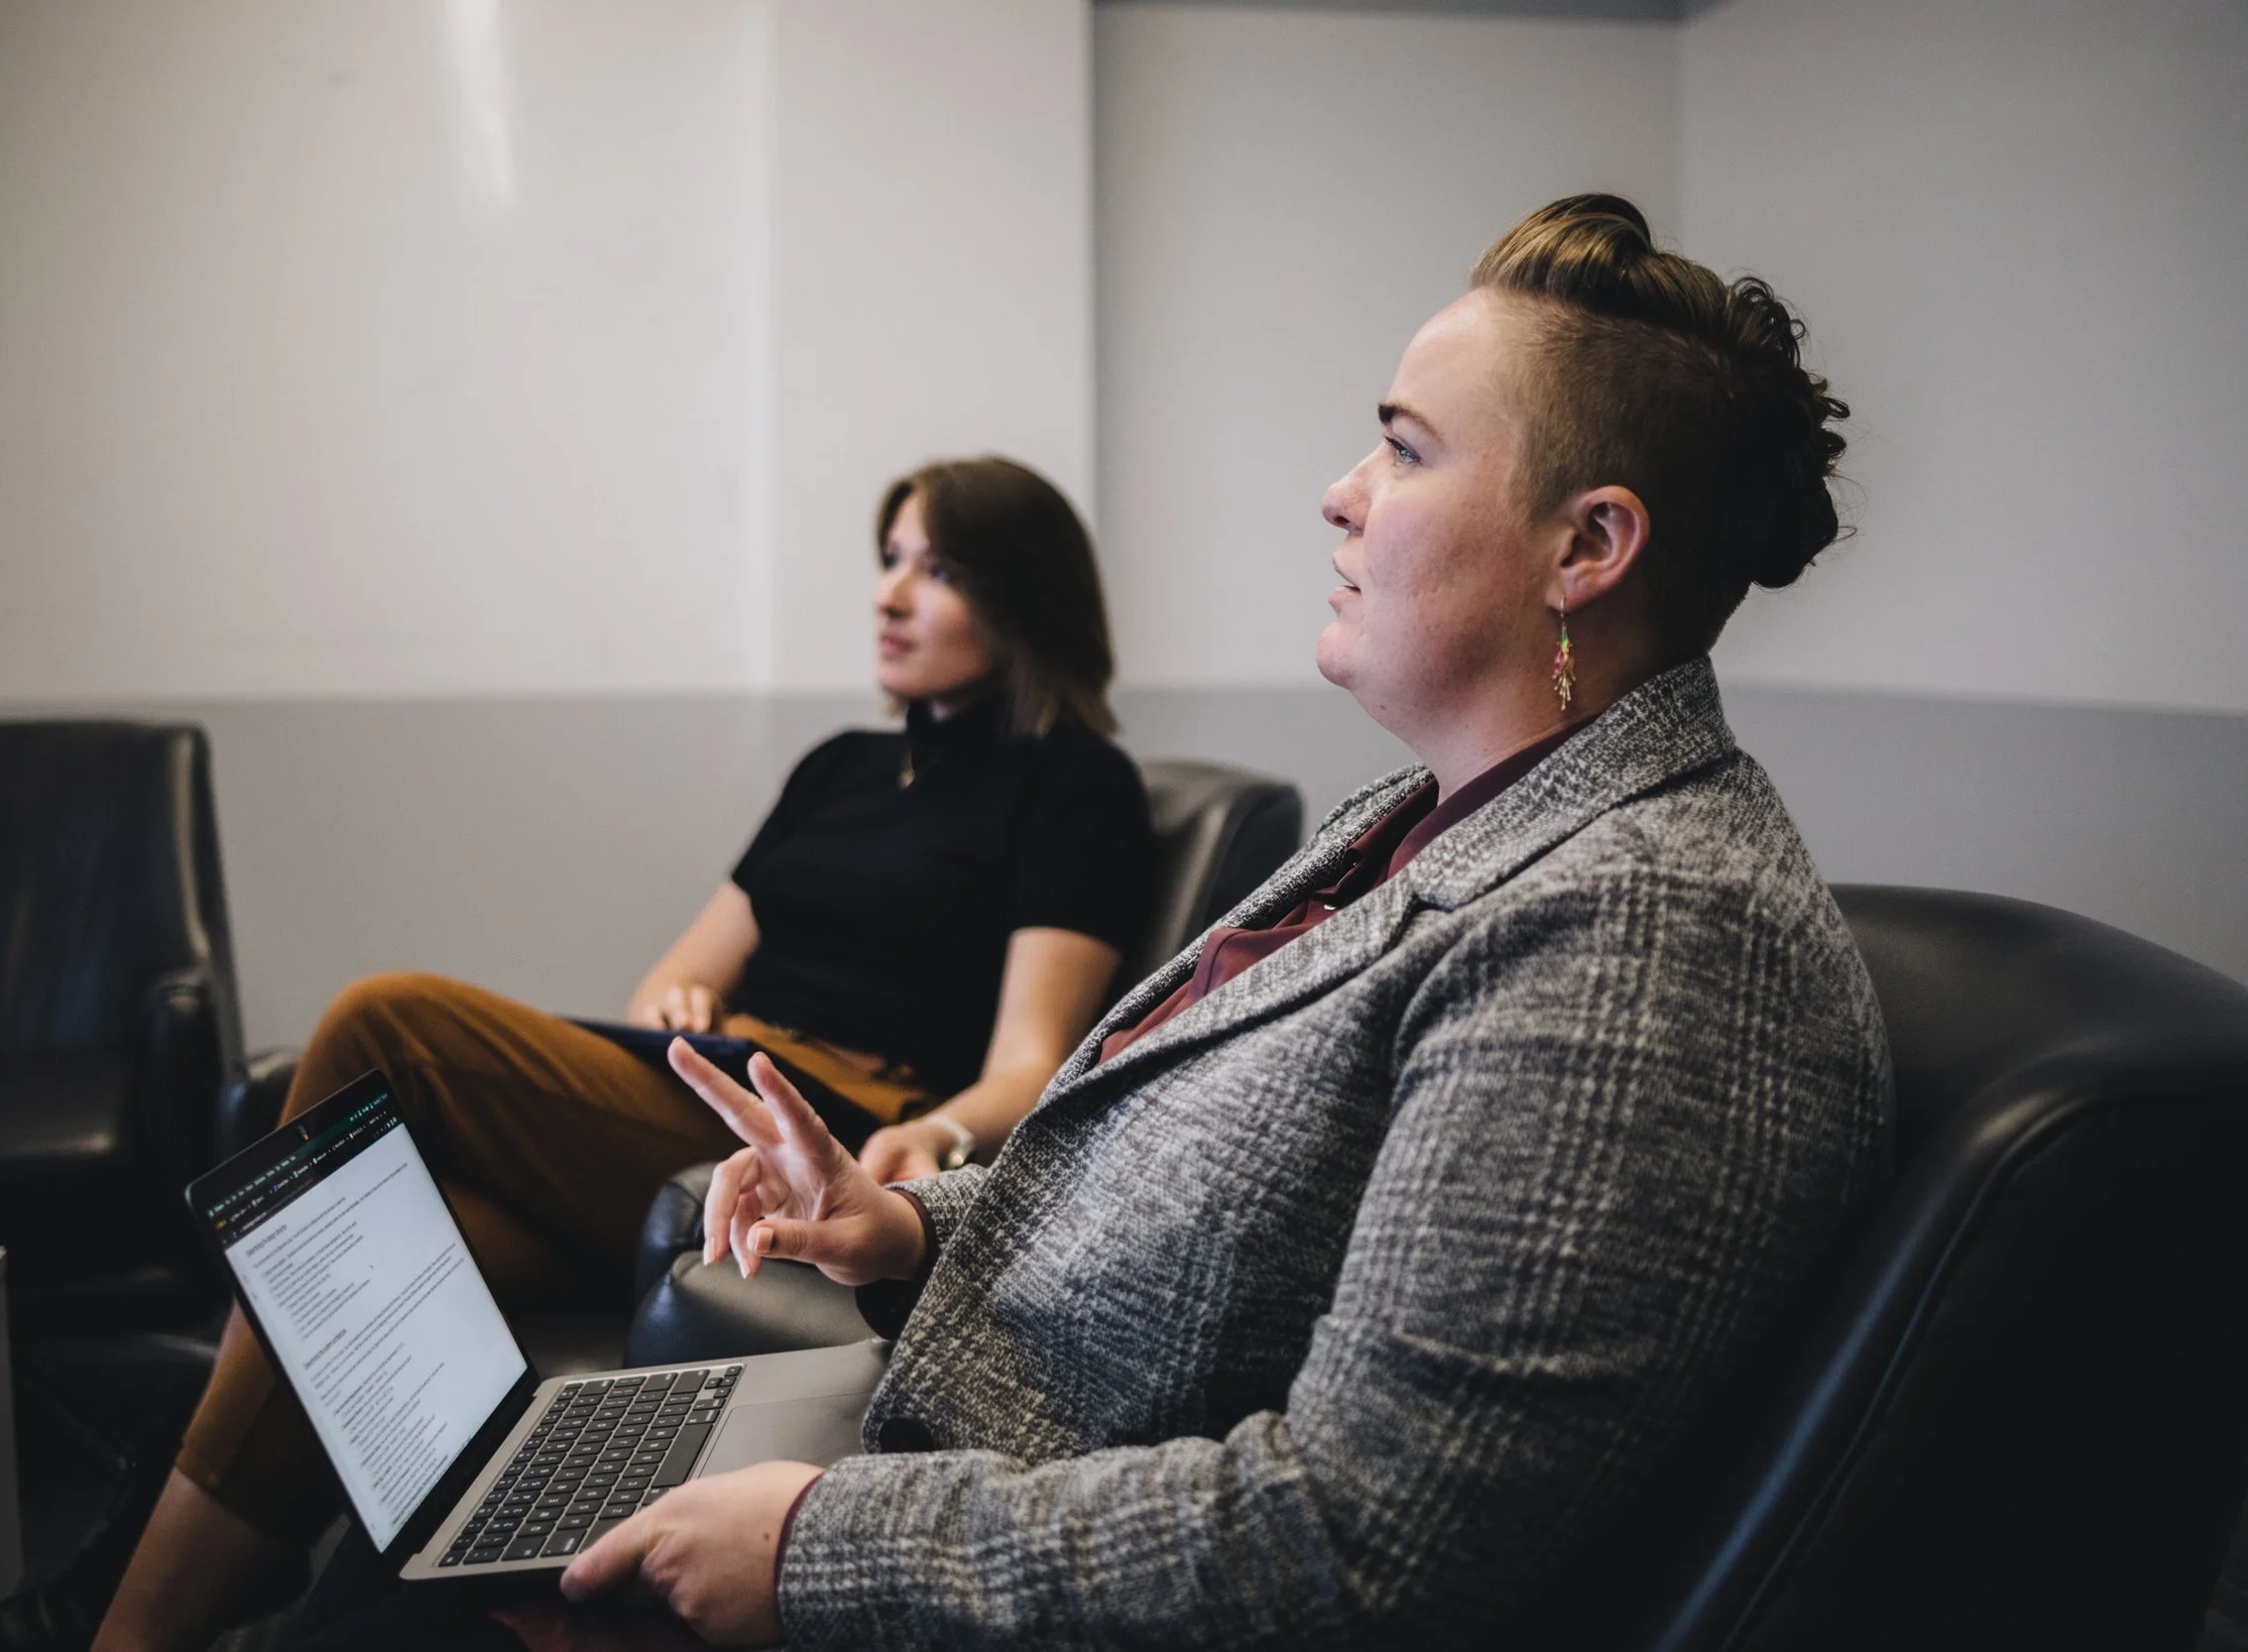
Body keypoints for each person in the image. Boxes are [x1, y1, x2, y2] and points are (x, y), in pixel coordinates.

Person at [479, 194, 1895, 1650]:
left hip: (1004, 1565)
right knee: (454, 1554)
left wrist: (812, 1546)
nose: (1342, 492)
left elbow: (1362, 1546)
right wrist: (903, 1223)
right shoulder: (1434, 818)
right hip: (994, 1485)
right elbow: (1227, 1218)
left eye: (1406, 449)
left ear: (1585, 546)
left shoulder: (1646, 937)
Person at [49, 456, 1158, 1652]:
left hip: (811, 1121)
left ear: (1023, 593)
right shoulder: (837, 766)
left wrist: (934, 1139)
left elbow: (1029, 1059)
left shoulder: (1075, 784)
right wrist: (678, 991)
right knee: (374, 1261)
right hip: (701, 1080)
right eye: (888, 559)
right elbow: (680, 973)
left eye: (935, 569)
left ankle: (128, 1602)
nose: (890, 594)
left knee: (386, 1020)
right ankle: (141, 1626)